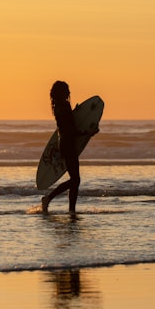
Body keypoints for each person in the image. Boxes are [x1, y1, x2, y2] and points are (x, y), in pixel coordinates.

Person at [42, 80, 96, 214]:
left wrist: (76, 113)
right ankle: (49, 198)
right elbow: (70, 130)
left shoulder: (58, 107)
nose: (69, 92)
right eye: (67, 90)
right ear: (62, 92)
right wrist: (87, 133)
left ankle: (72, 210)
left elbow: (68, 125)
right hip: (68, 144)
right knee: (75, 179)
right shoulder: (63, 107)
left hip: (65, 144)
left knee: (75, 180)